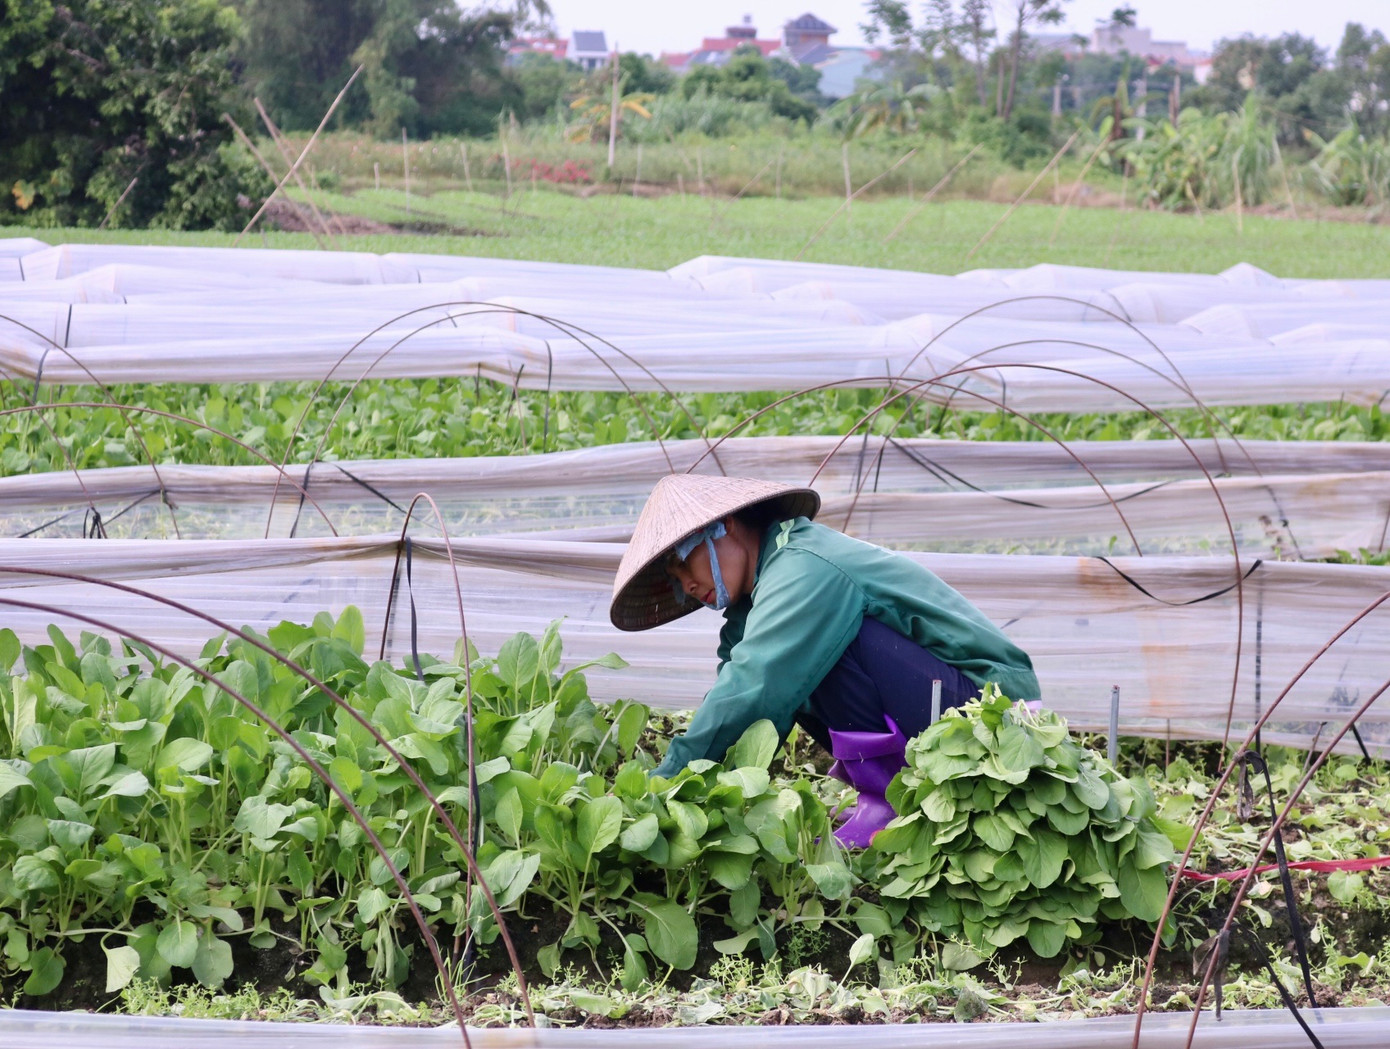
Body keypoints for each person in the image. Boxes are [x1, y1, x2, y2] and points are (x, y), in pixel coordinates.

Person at [609, 474, 1041, 847]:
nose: (687, 585)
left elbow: (753, 685)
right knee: (791, 664)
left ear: (724, 527)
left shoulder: (803, 568)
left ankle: (887, 803)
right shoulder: (762, 589)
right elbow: (732, 690)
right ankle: (890, 795)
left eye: (686, 563)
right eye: (676, 580)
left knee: (809, 650)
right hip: (946, 703)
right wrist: (707, 791)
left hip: (994, 712)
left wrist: (665, 783)